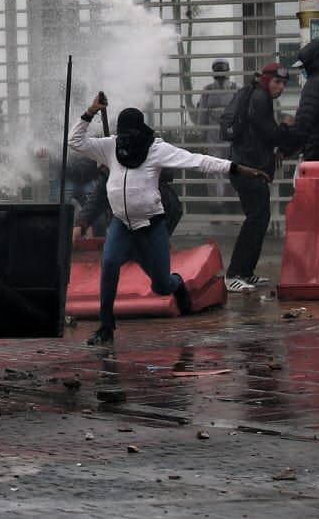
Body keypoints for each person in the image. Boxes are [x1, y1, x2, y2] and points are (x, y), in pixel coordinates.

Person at [70, 93, 270, 347]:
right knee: (109, 266)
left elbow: (198, 161)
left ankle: (177, 286)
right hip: (121, 226)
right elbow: (75, 141)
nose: (125, 142)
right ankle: (106, 327)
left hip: (152, 228)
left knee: (161, 285)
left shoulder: (156, 150)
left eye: (129, 136)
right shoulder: (110, 147)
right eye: (122, 137)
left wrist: (238, 168)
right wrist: (90, 112)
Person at [225, 63, 302, 292]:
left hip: (253, 169)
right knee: (255, 220)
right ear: (266, 80)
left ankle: (246, 272)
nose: (280, 87)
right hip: (249, 170)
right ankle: (234, 275)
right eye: (277, 82)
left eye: (284, 83)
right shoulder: (260, 99)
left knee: (259, 219)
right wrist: (287, 127)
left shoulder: (260, 97)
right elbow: (270, 134)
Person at [193, 59, 237, 140]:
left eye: (223, 78)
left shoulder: (236, 89)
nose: (221, 81)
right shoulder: (208, 90)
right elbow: (203, 115)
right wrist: (202, 134)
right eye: (218, 78)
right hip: (213, 135)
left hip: (231, 132)